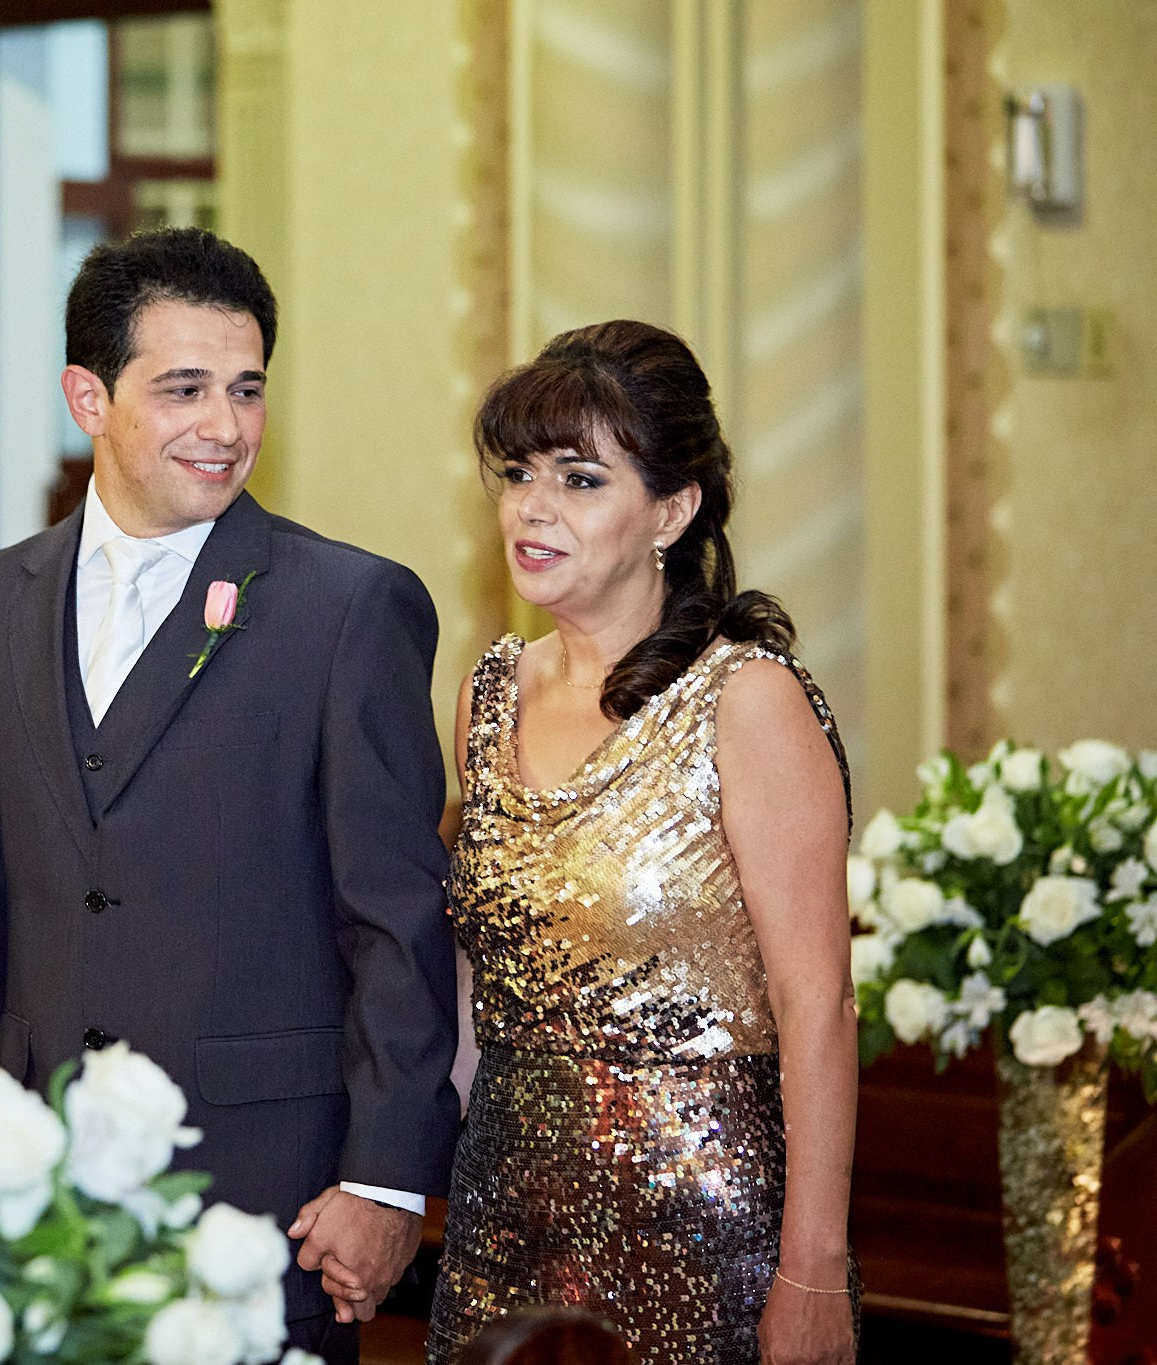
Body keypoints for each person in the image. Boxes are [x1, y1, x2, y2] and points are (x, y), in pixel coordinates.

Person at [0, 228, 461, 1364]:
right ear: (87, 396)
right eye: (182, 389)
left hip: (261, 1198)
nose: (223, 427)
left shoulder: (346, 608)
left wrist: (383, 1180)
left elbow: (397, 924)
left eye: (246, 389)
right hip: (31, 1197)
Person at [426, 321, 859, 1365]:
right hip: (504, 1218)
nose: (531, 506)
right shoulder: (485, 692)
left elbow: (818, 1004)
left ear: (671, 509)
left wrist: (812, 1269)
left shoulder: (743, 701)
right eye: (518, 473)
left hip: (703, 1230)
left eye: (579, 479)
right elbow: (478, 979)